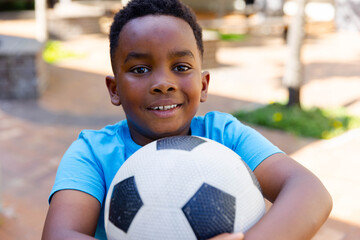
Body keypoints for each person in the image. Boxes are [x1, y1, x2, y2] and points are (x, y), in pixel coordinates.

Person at [42, 0, 332, 239]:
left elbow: (310, 192)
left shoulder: (225, 135)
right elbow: (59, 235)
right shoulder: (92, 153)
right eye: (141, 69)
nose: (163, 83)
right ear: (114, 89)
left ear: (203, 85)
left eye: (180, 66)